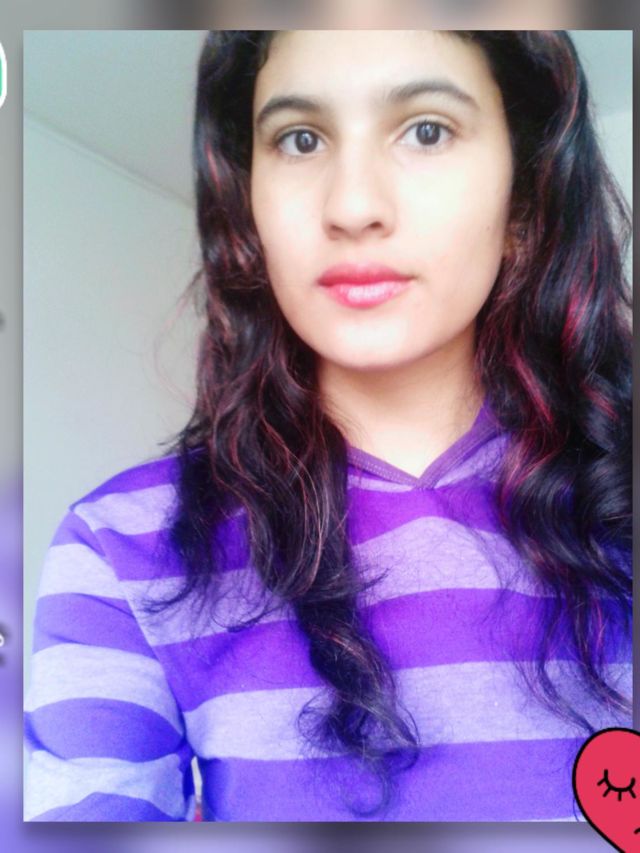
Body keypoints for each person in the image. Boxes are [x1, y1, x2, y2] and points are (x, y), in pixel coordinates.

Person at [24, 30, 632, 822]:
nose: (351, 207)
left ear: (524, 200)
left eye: (427, 130)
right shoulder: (121, 546)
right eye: (301, 139)